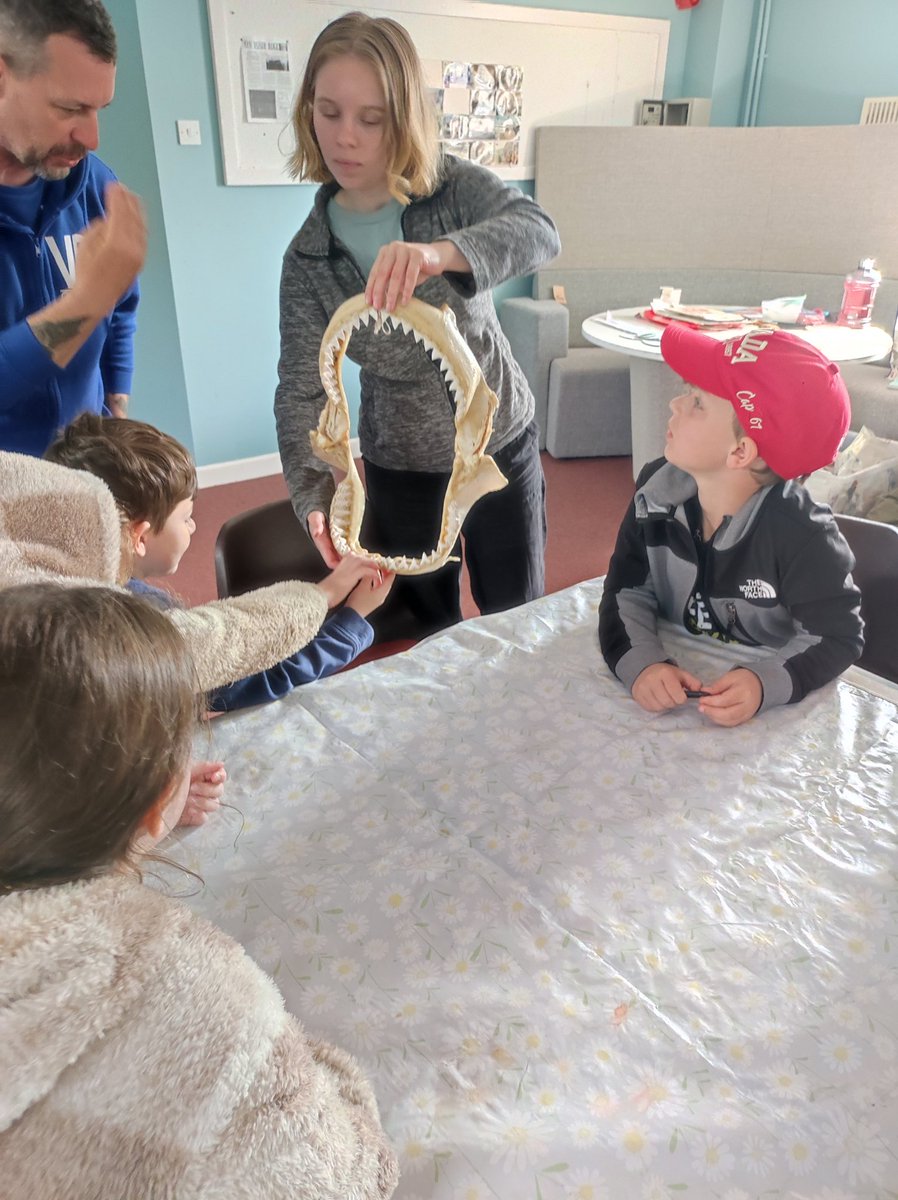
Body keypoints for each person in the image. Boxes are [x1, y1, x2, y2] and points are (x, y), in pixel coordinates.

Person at [0, 582, 400, 1199]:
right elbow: (342, 1177)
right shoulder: (184, 991)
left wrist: (132, 805)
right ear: (158, 800)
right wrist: (331, 1075)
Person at [275, 11, 561, 636]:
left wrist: (442, 254)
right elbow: (301, 388)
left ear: (402, 117)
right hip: (399, 467)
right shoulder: (308, 259)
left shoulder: (454, 188)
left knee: (518, 614)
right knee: (426, 629)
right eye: (329, 112)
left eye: (370, 119)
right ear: (309, 111)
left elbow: (540, 232)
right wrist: (312, 497)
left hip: (498, 448)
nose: (345, 137)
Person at [599, 325, 864, 727]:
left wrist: (764, 684)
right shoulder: (655, 493)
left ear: (741, 451)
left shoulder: (806, 539)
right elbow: (626, 591)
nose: (675, 403)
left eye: (698, 402)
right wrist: (642, 665)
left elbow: (838, 637)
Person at [46, 412, 395, 711]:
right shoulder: (136, 633)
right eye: (186, 517)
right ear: (139, 536)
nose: (194, 526)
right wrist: (348, 614)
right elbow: (248, 676)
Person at [0, 0, 146, 457]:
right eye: (69, 108)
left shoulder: (94, 183)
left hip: (86, 470)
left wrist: (115, 402)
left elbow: (122, 305)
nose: (93, 137)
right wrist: (83, 305)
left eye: (99, 107)